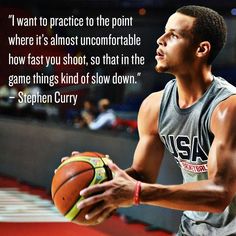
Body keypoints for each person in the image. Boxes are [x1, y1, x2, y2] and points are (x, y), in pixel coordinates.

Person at [65, 6, 236, 235]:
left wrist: (136, 193)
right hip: (192, 228)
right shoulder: (153, 106)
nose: (160, 39)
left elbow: (220, 194)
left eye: (173, 35)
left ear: (201, 49)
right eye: (164, 31)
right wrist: (96, 178)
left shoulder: (227, 108)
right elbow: (142, 175)